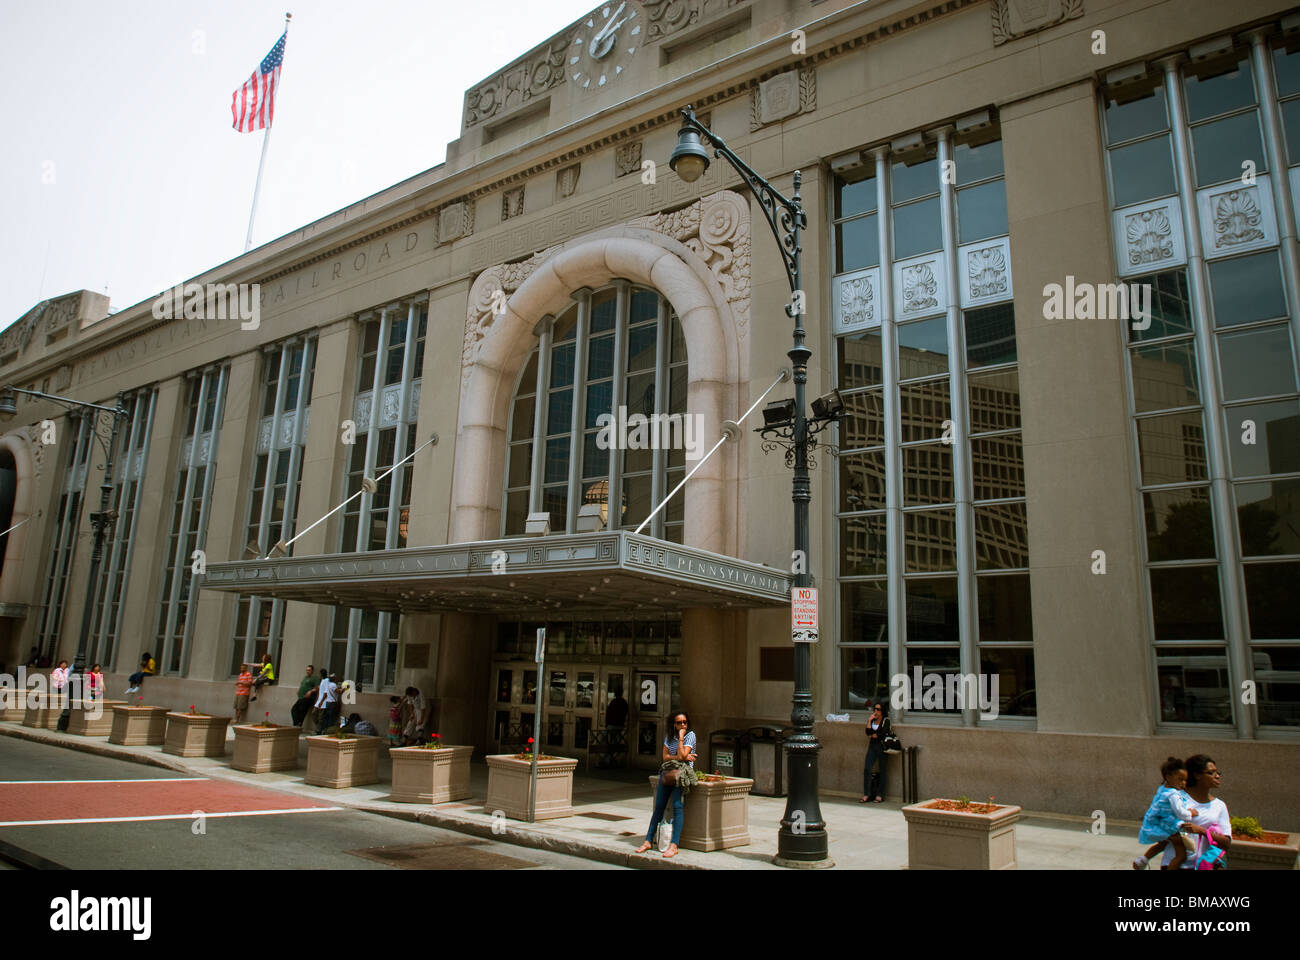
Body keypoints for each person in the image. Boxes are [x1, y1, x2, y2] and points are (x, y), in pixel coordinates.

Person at [636, 710, 697, 859]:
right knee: (659, 807)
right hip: (667, 773)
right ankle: (648, 840)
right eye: (679, 722)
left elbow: (683, 756)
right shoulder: (669, 737)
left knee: (677, 807)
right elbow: (665, 757)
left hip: (680, 775)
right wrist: (680, 756)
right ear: (673, 724)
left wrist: (681, 739)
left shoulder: (690, 735)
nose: (682, 725)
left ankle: (674, 845)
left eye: (684, 722)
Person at [1162, 754, 1231, 870]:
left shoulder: (1220, 806)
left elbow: (1227, 842)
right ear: (1197, 775)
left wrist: (1202, 831)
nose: (1217, 776)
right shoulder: (1176, 799)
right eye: (1211, 773)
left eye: (1218, 772)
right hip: (1175, 865)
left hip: (1204, 866)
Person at [1133, 757, 1192, 870]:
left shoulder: (1162, 789)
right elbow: (1180, 812)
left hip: (1159, 824)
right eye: (1180, 779)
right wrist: (1191, 813)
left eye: (1185, 780)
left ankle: (1142, 860)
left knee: (1163, 844)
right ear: (1168, 777)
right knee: (1181, 855)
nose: (1183, 783)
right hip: (1170, 826)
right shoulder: (1173, 794)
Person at [861, 702, 890, 803]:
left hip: (882, 747)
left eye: (878, 709)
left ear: (882, 711)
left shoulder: (886, 720)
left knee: (883, 770)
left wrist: (873, 734)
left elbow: (881, 733)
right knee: (867, 768)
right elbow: (867, 733)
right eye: (875, 709)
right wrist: (869, 720)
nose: (876, 711)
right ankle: (867, 794)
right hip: (872, 746)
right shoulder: (872, 720)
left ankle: (880, 795)